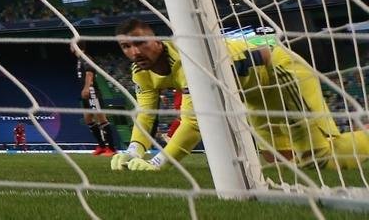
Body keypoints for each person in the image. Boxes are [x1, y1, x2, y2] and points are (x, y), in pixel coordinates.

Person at [110, 18, 369, 172]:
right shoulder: (140, 72)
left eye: (140, 43)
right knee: (281, 161)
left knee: (318, 160)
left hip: (281, 72)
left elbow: (194, 123)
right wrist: (133, 151)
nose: (134, 52)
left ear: (157, 41)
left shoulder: (190, 59)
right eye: (126, 46)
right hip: (254, 94)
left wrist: (156, 163)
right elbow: (146, 114)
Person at [71, 43, 117, 156]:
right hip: (87, 94)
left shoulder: (86, 57)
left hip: (92, 92)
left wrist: (87, 88)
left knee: (101, 118)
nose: (70, 47)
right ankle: (101, 146)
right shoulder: (79, 59)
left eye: (71, 45)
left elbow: (89, 73)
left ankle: (111, 148)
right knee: (88, 119)